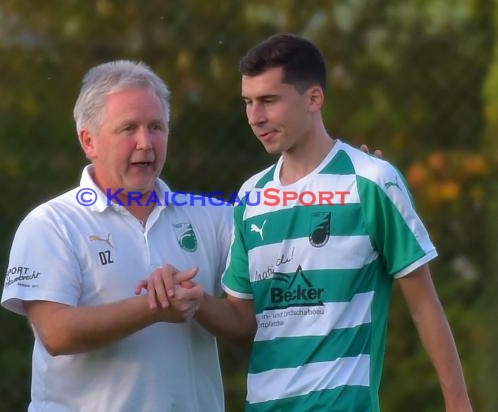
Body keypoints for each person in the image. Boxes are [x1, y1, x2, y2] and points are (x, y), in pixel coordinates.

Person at [144, 33, 473, 411]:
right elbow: (244, 320)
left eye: (269, 101)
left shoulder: (371, 181)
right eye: (248, 103)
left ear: (314, 98)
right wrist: (197, 300)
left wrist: (458, 401)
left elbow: (423, 302)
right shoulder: (252, 196)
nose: (255, 117)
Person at [0, 60, 234, 411]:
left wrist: (196, 300)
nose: (146, 142)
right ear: (89, 141)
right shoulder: (51, 223)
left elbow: (248, 320)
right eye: (128, 128)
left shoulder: (213, 217)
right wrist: (154, 307)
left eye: (156, 126)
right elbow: (56, 332)